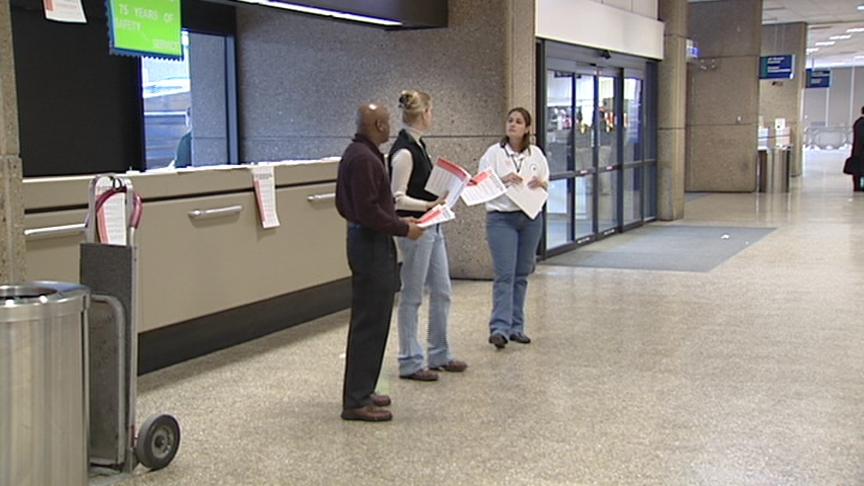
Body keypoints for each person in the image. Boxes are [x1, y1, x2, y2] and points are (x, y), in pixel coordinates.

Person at [335, 103, 425, 421]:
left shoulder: (364, 154)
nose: (389, 127)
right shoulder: (362, 159)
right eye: (386, 122)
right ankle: (356, 401)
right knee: (369, 324)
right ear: (377, 124)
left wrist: (400, 219)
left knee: (375, 320)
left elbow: (369, 207)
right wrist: (403, 228)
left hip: (371, 241)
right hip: (369, 244)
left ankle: (364, 388)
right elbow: (368, 211)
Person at [388, 90, 467, 381]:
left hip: (433, 224)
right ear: (424, 114)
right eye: (431, 112)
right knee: (412, 294)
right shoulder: (405, 152)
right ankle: (409, 359)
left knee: (443, 290)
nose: (432, 117)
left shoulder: (419, 146)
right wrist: (428, 205)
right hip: (415, 227)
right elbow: (397, 198)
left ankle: (439, 352)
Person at [478, 107, 550, 349]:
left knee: (521, 275)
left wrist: (541, 183)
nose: (513, 125)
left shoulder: (536, 154)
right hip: (502, 218)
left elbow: (546, 180)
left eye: (519, 122)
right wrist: (503, 179)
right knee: (505, 274)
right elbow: (481, 183)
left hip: (529, 217)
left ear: (527, 128)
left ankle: (516, 326)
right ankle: (499, 328)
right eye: (510, 120)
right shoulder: (493, 154)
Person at [851, 106, 864, 192]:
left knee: (858, 170)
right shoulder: (861, 123)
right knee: (859, 169)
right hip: (861, 151)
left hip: (858, 151)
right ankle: (858, 186)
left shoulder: (858, 122)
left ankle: (858, 186)